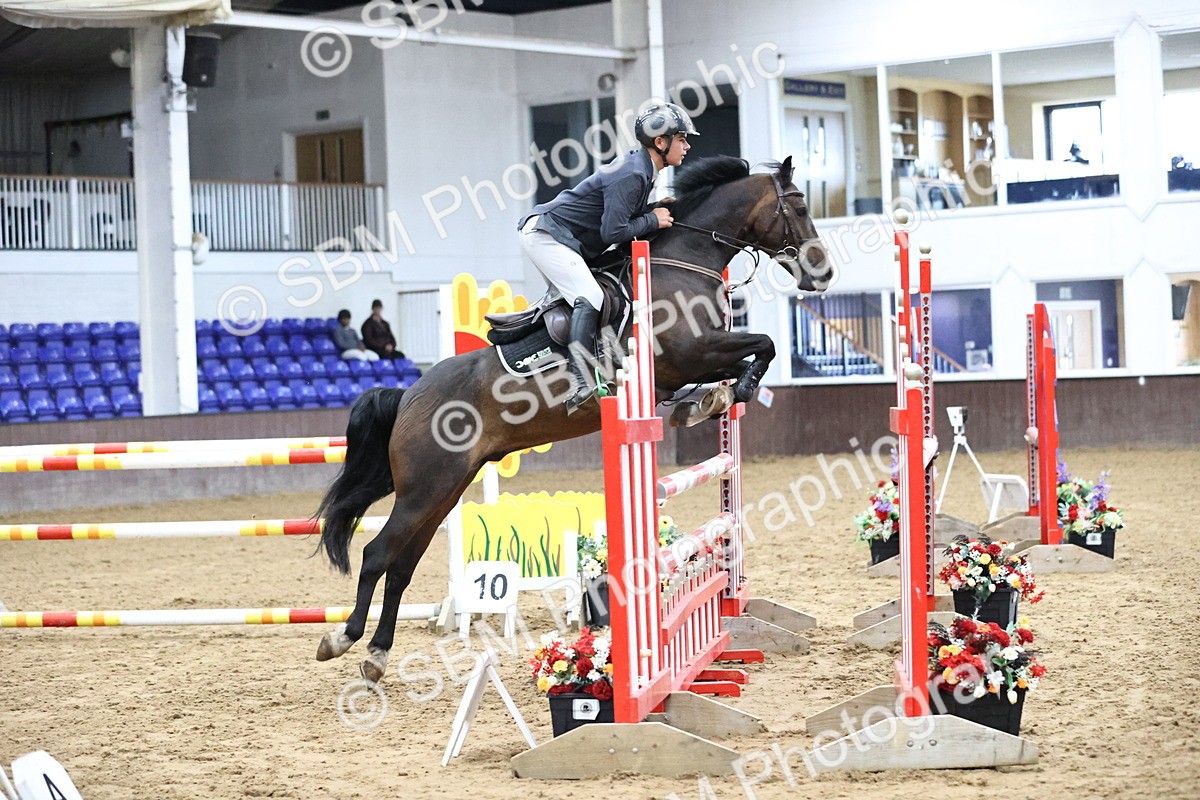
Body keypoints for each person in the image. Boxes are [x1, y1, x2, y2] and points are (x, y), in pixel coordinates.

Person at [517, 101, 696, 415]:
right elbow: (614, 231)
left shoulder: (642, 169)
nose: (687, 145)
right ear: (660, 142)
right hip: (547, 234)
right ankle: (578, 380)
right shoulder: (632, 173)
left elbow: (620, 217)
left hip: (564, 238)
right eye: (681, 139)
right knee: (589, 295)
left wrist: (650, 209)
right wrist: (652, 220)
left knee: (594, 294)